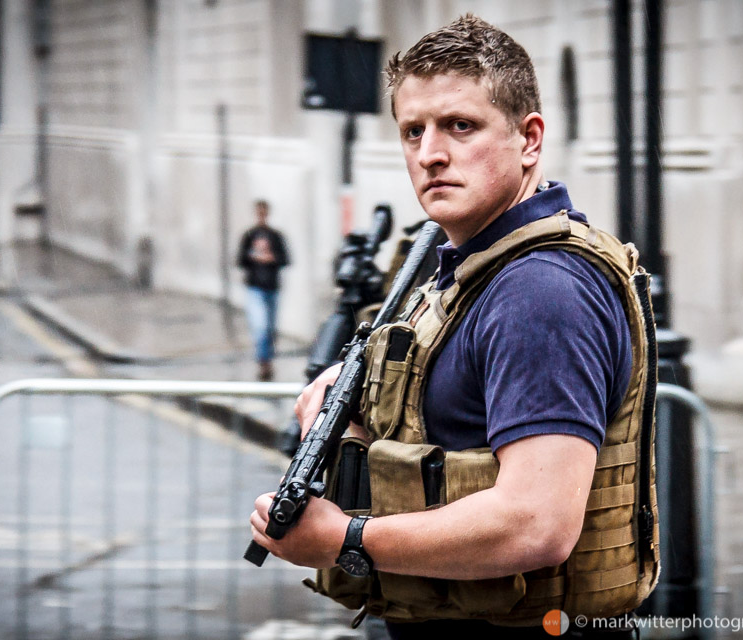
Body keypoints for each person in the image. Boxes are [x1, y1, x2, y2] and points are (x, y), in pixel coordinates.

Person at [251, 15, 657, 639]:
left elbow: (536, 524)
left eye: (459, 126)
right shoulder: (465, 270)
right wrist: (352, 397)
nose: (430, 152)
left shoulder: (539, 292)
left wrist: (345, 538)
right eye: (413, 131)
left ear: (529, 140)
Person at [237, 200, 290, 381]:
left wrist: (270, 258)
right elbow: (240, 260)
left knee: (270, 328)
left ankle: (268, 360)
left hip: (272, 287)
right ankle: (263, 361)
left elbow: (285, 259)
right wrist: (255, 258)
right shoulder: (249, 235)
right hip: (255, 288)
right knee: (260, 326)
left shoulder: (275, 236)